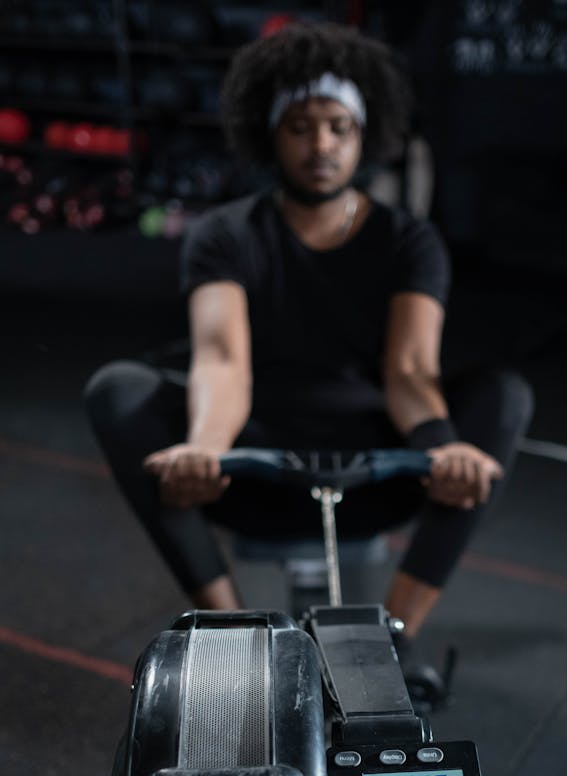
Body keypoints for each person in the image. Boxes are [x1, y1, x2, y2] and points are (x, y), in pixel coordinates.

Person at [85, 20, 533, 658]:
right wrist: (205, 450)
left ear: (362, 135)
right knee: (117, 391)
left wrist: (442, 449)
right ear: (272, 136)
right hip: (254, 473)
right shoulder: (224, 235)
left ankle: (394, 640)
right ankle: (234, 632)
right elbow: (222, 359)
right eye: (300, 127)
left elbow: (410, 369)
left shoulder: (408, 241)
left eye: (337, 127)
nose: (320, 144)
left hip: (373, 473)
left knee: (504, 395)